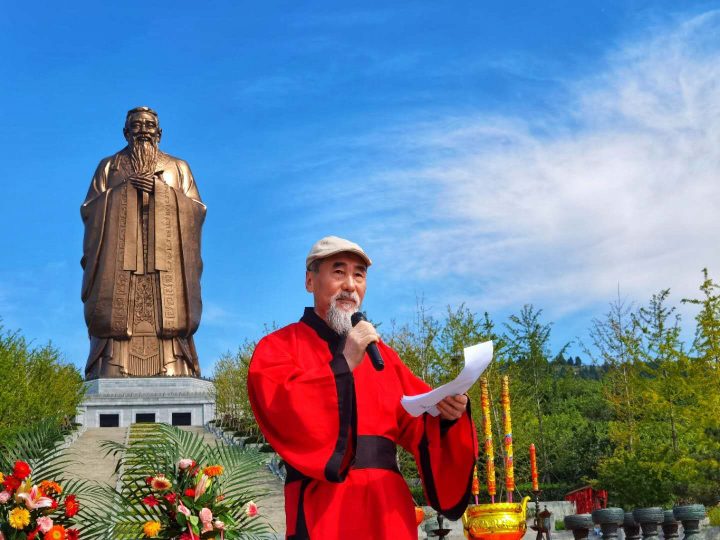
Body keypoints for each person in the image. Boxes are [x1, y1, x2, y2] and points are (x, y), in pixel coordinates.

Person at [248, 236, 478, 539]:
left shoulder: (384, 356)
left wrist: (449, 414)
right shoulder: (278, 348)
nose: (350, 285)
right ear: (310, 280)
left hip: (388, 508)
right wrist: (343, 363)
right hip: (324, 507)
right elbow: (283, 410)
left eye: (359, 274)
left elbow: (421, 416)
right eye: (338, 272)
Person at [80, 107, 206, 379]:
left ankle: (174, 364)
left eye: (149, 125)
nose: (143, 130)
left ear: (159, 133)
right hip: (120, 260)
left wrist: (161, 192)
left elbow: (197, 210)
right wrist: (123, 192)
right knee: (117, 313)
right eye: (136, 125)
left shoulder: (177, 167)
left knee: (168, 315)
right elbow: (89, 209)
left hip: (166, 264)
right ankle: (112, 364)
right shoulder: (109, 166)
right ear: (126, 132)